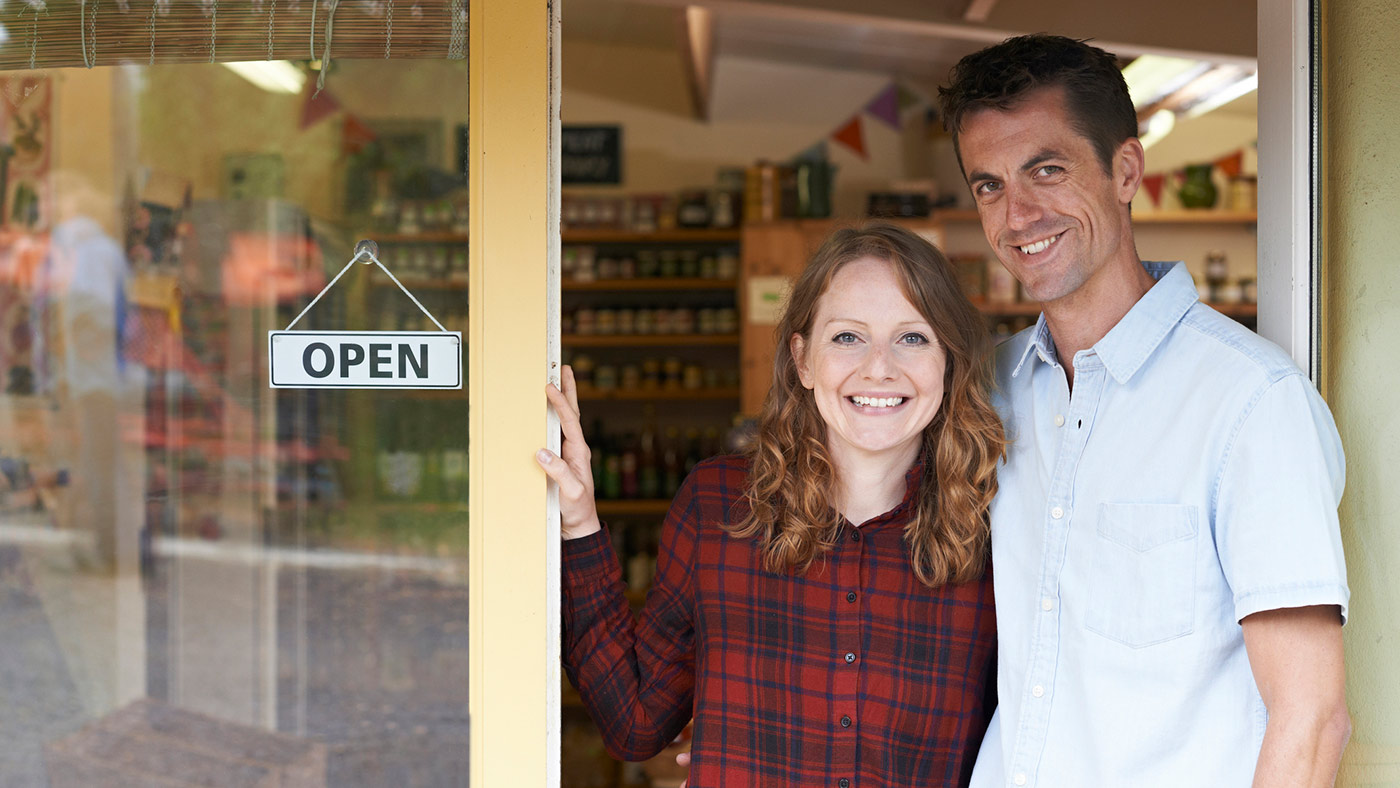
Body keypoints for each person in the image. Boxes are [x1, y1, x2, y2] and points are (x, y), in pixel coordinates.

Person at [935, 35, 1351, 787]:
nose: (1018, 214)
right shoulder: (985, 392)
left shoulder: (1251, 402)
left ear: (1125, 170)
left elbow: (1313, 719)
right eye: (989, 185)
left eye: (1047, 170)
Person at [539, 223, 1005, 786]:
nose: (879, 367)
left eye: (913, 337)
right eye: (848, 337)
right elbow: (635, 724)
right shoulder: (718, 505)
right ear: (803, 360)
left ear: (949, 361)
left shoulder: (999, 527)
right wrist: (581, 524)